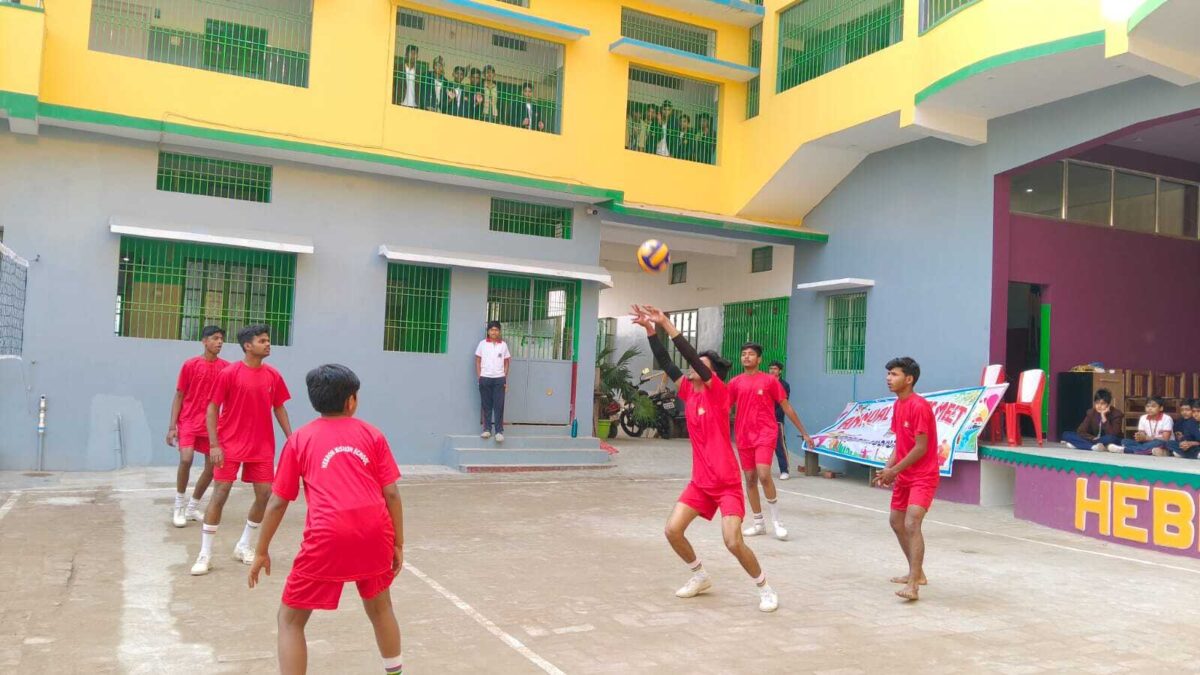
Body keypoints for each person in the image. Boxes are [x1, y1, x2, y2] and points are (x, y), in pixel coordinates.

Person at [249, 364, 404, 675]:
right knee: (380, 607)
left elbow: (277, 502)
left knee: (290, 620)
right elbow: (391, 493)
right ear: (351, 401)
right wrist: (398, 542)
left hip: (328, 534)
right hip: (375, 531)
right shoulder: (372, 434)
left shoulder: (300, 439)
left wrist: (261, 550)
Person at [631, 305, 778, 613]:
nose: (691, 367)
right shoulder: (689, 390)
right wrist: (651, 331)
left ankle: (765, 588)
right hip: (700, 482)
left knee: (733, 542)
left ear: (710, 374)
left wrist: (667, 324)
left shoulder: (718, 394)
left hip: (726, 484)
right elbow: (667, 362)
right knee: (672, 530)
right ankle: (700, 575)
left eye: (699, 365)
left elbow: (689, 356)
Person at [191, 324, 293, 576]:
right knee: (220, 493)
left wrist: (291, 438)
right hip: (229, 444)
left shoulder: (273, 375)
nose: (268, 344)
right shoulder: (229, 373)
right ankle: (204, 554)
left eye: (268, 340)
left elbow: (279, 407)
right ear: (248, 346)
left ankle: (244, 545)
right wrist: (214, 444)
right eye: (262, 341)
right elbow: (212, 408)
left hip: (262, 446)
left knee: (265, 495)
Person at [730, 344, 814, 541]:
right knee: (750, 479)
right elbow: (724, 408)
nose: (746, 357)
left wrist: (804, 433)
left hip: (765, 433)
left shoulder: (769, 381)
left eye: (751, 354)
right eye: (743, 354)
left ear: (759, 359)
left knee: (764, 474)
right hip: (743, 436)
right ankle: (758, 523)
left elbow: (786, 407)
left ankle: (778, 523)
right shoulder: (735, 382)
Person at [872, 357, 938, 602]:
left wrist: (894, 471)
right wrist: (887, 470)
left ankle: (913, 586)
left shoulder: (919, 406)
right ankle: (917, 573)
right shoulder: (898, 405)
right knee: (896, 522)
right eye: (888, 374)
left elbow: (921, 447)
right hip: (904, 475)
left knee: (912, 523)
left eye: (894, 374)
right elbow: (901, 443)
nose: (888, 378)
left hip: (923, 476)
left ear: (908, 379)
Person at [166, 325, 229, 527]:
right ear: (204, 341)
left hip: (211, 425)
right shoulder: (190, 365)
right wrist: (172, 427)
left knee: (211, 467)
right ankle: (179, 505)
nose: (219, 342)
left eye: (221, 339)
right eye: (215, 338)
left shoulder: (226, 368)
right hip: (188, 421)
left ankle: (192, 507)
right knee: (186, 459)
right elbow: (179, 395)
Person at [476, 321, 511, 443]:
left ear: (499, 332)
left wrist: (504, 377)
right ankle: (487, 429)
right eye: (492, 330)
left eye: (496, 330)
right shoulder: (482, 344)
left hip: (499, 379)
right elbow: (478, 360)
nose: (494, 332)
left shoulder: (503, 345)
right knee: (486, 405)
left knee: (499, 405)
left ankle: (499, 432)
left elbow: (506, 362)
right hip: (485, 377)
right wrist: (479, 376)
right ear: (488, 331)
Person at [767, 361, 792, 479]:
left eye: (775, 369)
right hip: (763, 419)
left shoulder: (784, 385)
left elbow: (783, 404)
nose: (772, 370)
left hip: (777, 419)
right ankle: (762, 470)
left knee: (779, 446)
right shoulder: (765, 383)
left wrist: (774, 415)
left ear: (780, 371)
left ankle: (784, 470)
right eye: (771, 368)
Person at [394, 44, 424, 109]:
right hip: (400, 104)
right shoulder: (398, 69)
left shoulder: (419, 73)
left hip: (414, 106)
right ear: (406, 55)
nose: (413, 56)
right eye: (411, 53)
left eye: (415, 54)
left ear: (417, 57)